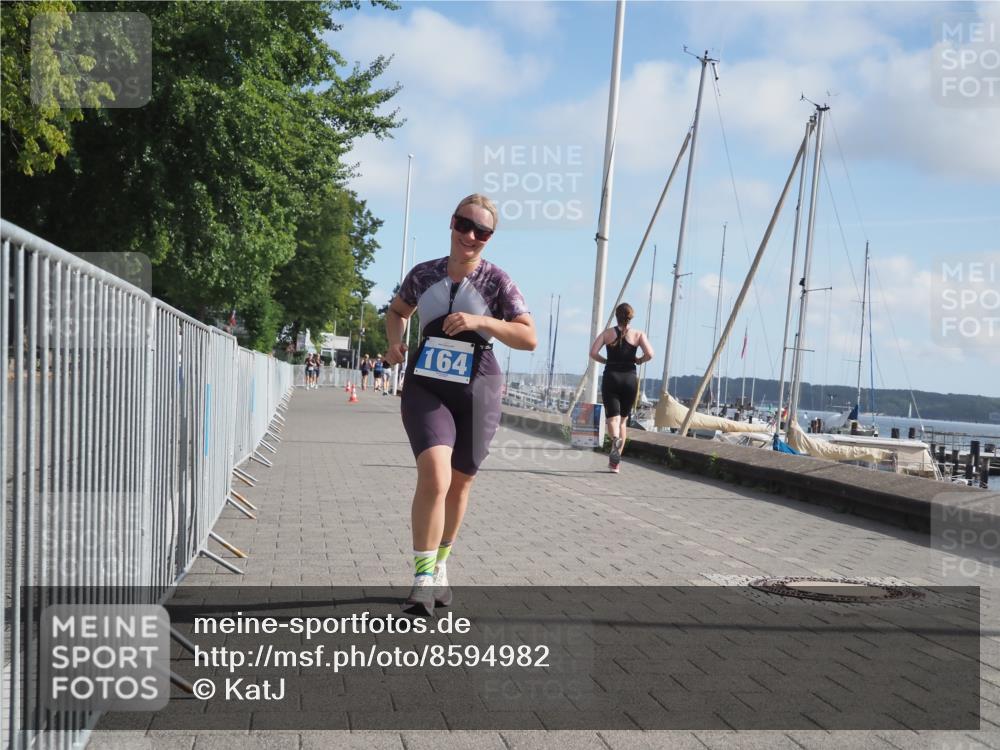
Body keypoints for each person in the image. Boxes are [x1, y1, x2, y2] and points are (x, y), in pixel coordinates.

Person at [385, 193, 536, 616]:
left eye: (481, 232)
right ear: (451, 223)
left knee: (460, 482)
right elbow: (397, 312)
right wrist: (395, 342)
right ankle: (422, 580)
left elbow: (529, 337)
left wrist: (481, 321)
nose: (470, 236)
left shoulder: (497, 281)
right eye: (464, 225)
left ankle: (441, 565)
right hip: (427, 384)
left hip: (478, 387)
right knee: (435, 476)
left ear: (489, 238)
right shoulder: (423, 273)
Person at [589, 303, 654, 473]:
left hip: (611, 377)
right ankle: (615, 464)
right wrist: (639, 360)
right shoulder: (638, 334)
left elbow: (593, 352)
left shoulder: (607, 334)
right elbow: (650, 354)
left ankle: (615, 438)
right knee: (623, 421)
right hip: (629, 379)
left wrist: (606, 361)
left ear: (616, 316)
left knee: (613, 419)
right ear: (631, 317)